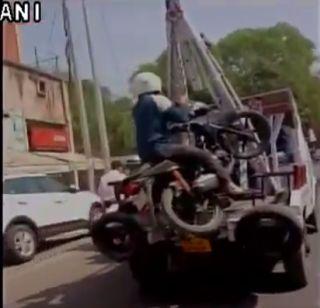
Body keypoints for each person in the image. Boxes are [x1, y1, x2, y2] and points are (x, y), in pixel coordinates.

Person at [130, 72, 244, 195]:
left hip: (145, 152)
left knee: (188, 161)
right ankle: (227, 184)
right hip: (160, 147)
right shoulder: (158, 100)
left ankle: (191, 185)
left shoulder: (136, 107)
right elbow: (181, 117)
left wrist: (173, 128)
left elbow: (154, 124)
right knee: (204, 155)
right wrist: (184, 105)